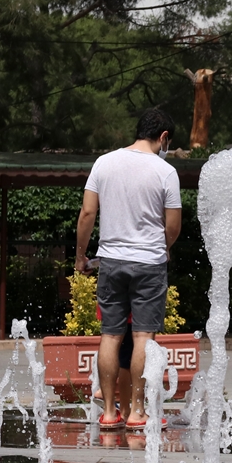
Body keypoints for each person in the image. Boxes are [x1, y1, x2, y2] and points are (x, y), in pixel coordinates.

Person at [76, 109, 182, 430]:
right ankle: (137, 412)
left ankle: (109, 413)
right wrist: (162, 248)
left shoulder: (103, 163)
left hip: (110, 260)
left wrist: (81, 256)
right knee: (142, 338)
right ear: (163, 137)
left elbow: (87, 213)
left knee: (110, 336)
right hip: (149, 263)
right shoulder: (165, 171)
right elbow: (173, 227)